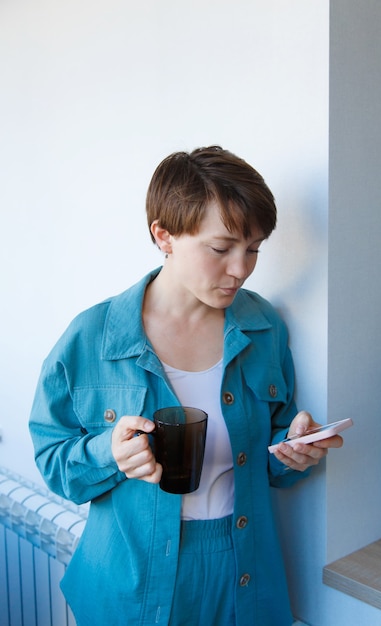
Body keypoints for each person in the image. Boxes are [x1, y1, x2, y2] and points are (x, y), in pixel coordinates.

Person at [29, 146, 343, 626]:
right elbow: (55, 463)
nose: (241, 268)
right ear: (165, 236)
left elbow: (274, 454)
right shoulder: (92, 338)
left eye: (254, 248)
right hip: (130, 589)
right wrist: (109, 454)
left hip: (245, 576)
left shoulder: (263, 328)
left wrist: (293, 449)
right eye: (221, 248)